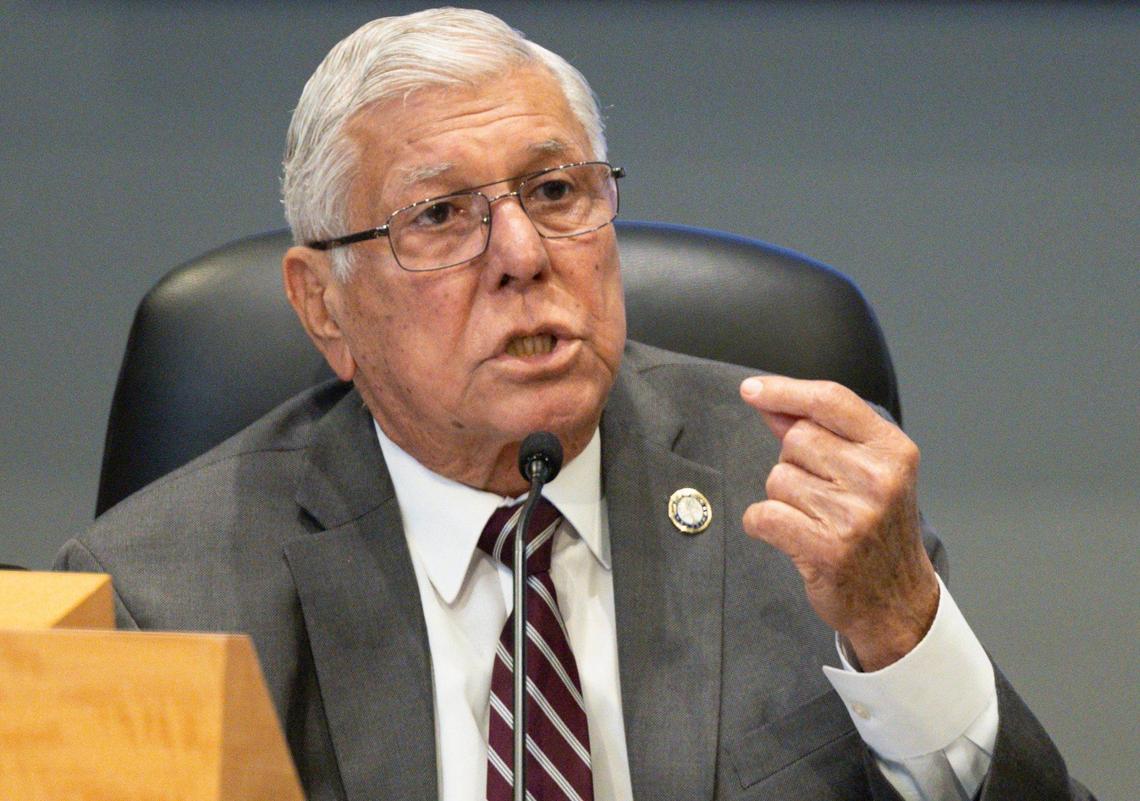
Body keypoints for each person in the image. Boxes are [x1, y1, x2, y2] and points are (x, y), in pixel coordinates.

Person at [57, 8, 1092, 801]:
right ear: (324, 308)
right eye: (441, 215)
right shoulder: (160, 599)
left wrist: (905, 631)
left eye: (555, 193)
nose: (521, 256)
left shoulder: (792, 496)